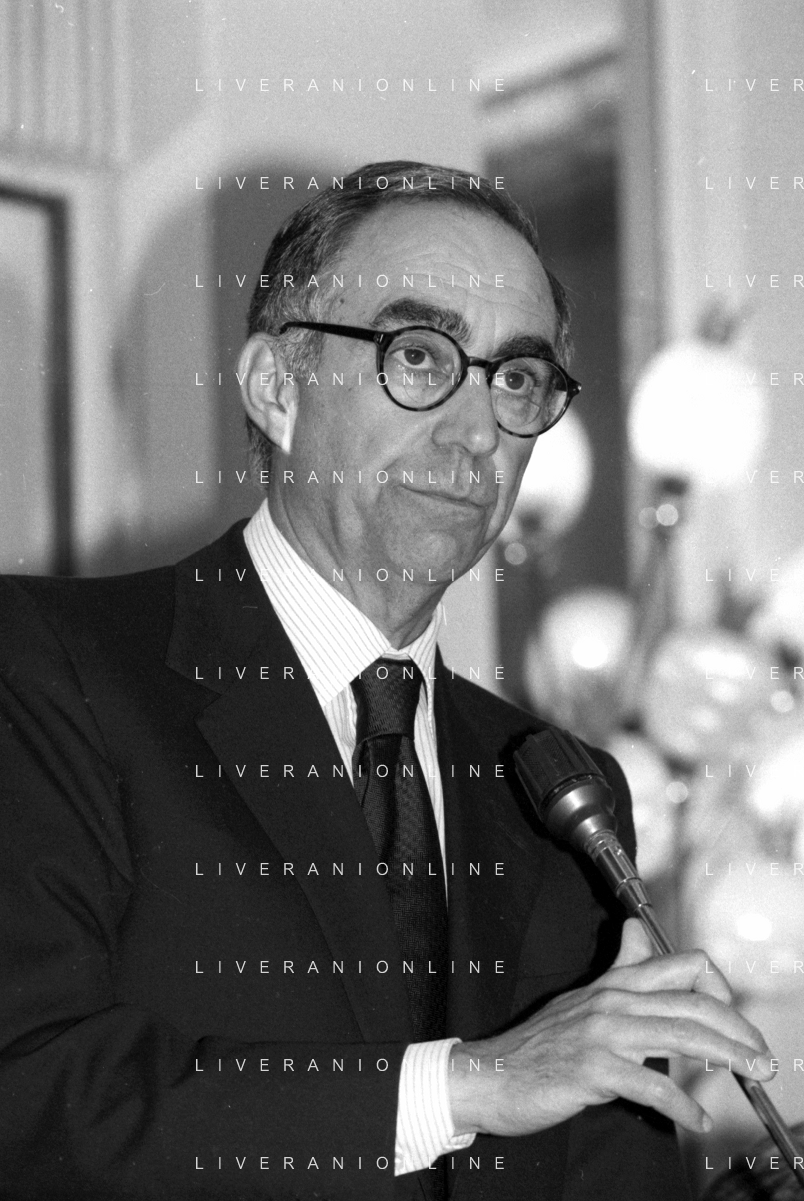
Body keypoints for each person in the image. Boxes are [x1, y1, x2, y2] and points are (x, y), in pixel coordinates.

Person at [0, 160, 775, 1201]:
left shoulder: (560, 791)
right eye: (418, 356)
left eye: (516, 379)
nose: (476, 432)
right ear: (277, 389)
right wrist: (465, 1086)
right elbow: (31, 1096)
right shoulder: (52, 667)